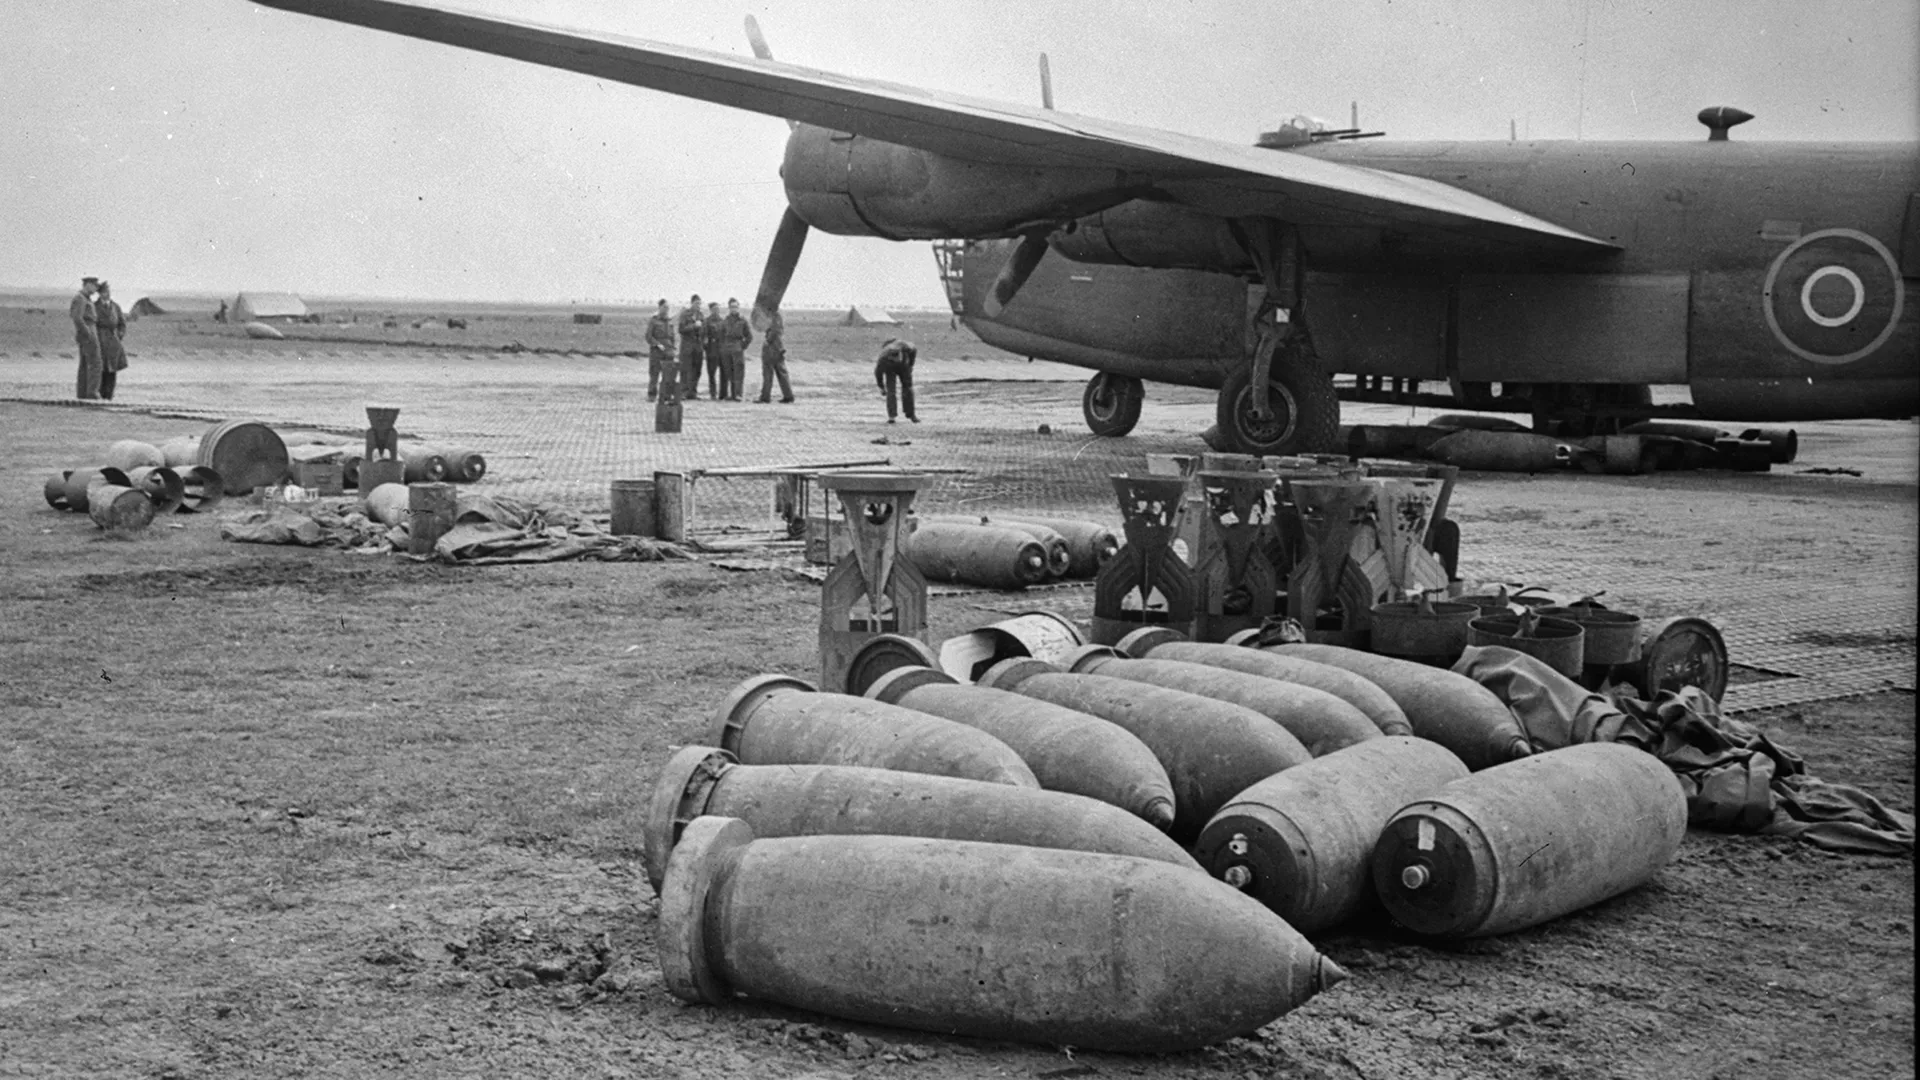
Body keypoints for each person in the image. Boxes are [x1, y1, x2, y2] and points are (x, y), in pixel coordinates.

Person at [95, 282, 128, 401]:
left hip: (113, 343)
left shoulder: (115, 307)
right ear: (100, 293)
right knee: (101, 369)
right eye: (104, 292)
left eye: (108, 291)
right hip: (100, 341)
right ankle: (100, 394)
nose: (107, 294)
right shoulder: (94, 307)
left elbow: (122, 324)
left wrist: (120, 335)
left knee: (112, 370)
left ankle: (109, 396)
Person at [874, 337, 919, 423]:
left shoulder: (907, 346)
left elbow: (914, 351)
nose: (896, 360)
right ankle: (892, 417)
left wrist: (910, 365)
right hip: (890, 367)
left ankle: (911, 415)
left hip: (904, 365)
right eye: (894, 359)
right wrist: (882, 387)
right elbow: (878, 373)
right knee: (891, 390)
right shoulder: (883, 357)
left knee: (908, 388)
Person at [70, 276, 101, 400]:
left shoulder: (85, 298)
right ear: (87, 284)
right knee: (95, 362)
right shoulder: (80, 298)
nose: (95, 287)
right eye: (93, 285)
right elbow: (77, 318)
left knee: (85, 363)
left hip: (89, 329)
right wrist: (87, 332)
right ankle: (92, 392)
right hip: (88, 330)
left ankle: (83, 393)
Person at [718, 298, 753, 402]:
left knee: (739, 372)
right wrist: (723, 347)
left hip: (737, 347)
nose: (734, 309)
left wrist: (742, 346)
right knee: (729, 372)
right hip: (727, 348)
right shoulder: (725, 321)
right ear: (729, 308)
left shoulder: (743, 320)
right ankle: (732, 394)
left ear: (739, 308)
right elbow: (721, 335)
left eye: (736, 307)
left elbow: (749, 336)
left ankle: (738, 394)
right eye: (732, 307)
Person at [756, 309, 794, 404]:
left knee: (768, 372)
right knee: (781, 373)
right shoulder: (777, 314)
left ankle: (765, 397)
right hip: (778, 347)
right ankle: (788, 395)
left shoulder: (774, 315)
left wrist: (768, 340)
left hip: (772, 347)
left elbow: (775, 330)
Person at [645, 298, 676, 400]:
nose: (666, 309)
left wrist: (673, 349)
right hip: (657, 351)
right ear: (659, 307)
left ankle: (666, 395)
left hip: (668, 351)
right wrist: (657, 344)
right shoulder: (654, 320)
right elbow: (648, 336)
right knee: (654, 373)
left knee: (668, 375)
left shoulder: (669, 321)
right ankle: (652, 394)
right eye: (664, 307)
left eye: (667, 308)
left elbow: (672, 336)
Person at [676, 294, 706, 400]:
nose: (698, 305)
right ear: (692, 303)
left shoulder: (700, 315)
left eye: (699, 303)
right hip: (687, 345)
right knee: (685, 369)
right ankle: (683, 392)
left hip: (698, 346)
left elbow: (703, 329)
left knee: (696, 370)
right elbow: (681, 329)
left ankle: (693, 392)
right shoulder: (685, 314)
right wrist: (693, 326)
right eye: (696, 303)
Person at [703, 301, 726, 400]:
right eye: (714, 309)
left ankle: (723, 394)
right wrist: (707, 347)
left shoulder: (723, 321)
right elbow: (703, 336)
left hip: (722, 350)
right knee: (711, 374)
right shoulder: (707, 321)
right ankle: (713, 393)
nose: (717, 311)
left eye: (718, 309)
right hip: (712, 350)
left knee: (724, 373)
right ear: (711, 310)